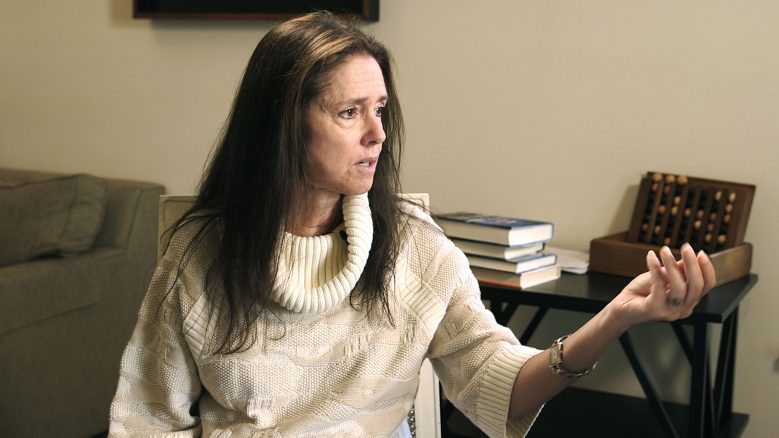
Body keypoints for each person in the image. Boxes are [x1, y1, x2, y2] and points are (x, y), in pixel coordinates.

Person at [108, 11, 716, 438]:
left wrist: (614, 319)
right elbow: (148, 419)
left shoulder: (414, 249)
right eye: (349, 113)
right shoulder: (200, 251)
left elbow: (494, 382)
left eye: (380, 110)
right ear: (282, 126)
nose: (377, 135)